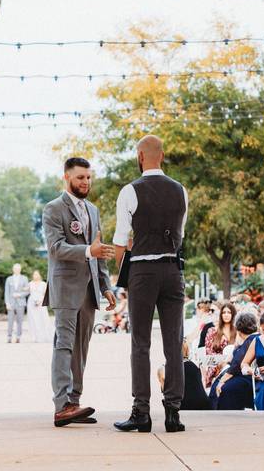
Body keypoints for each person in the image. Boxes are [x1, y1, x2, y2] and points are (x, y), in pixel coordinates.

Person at [111, 136, 188, 434]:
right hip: (172, 270)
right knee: (173, 342)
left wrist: (125, 276)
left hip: (142, 270)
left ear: (140, 156)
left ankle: (141, 412)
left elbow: (120, 240)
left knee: (140, 343)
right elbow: (181, 233)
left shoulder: (130, 191)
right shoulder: (181, 191)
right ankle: (173, 413)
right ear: (163, 156)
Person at [42, 156, 115, 428]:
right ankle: (62, 405)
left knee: (81, 349)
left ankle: (75, 401)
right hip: (65, 287)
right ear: (67, 178)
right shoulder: (53, 209)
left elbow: (100, 250)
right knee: (63, 345)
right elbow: (55, 248)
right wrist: (87, 251)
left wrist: (106, 286)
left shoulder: (93, 210)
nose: (86, 182)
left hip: (90, 289)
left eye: (88, 177)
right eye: (80, 177)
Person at [210, 312, 259, 410]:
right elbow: (233, 359)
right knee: (218, 384)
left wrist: (222, 381)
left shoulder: (251, 340)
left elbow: (236, 364)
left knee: (223, 388)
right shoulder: (249, 339)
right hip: (243, 374)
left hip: (247, 376)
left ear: (238, 329)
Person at [203, 301, 236, 388]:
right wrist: (221, 363)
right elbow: (209, 353)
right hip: (216, 367)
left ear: (233, 314)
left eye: (229, 312)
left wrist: (228, 362)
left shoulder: (238, 332)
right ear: (220, 315)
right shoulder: (212, 331)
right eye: (224, 312)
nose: (226, 315)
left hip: (233, 367)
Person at [3, 263, 30, 344]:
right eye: (15, 269)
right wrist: (7, 303)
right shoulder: (9, 279)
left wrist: (20, 295)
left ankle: (18, 337)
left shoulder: (24, 278)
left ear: (20, 270)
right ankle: (9, 336)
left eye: (18, 269)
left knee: (20, 320)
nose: (16, 270)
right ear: (13, 269)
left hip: (20, 303)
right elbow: (6, 292)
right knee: (10, 320)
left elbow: (27, 291)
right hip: (11, 303)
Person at [27, 270, 53, 343]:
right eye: (34, 274)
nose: (35, 276)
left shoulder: (43, 284)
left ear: (39, 275)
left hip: (41, 302)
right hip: (31, 303)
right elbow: (26, 292)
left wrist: (40, 301)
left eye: (37, 274)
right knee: (34, 320)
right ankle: (35, 337)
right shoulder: (30, 284)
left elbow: (45, 294)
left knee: (43, 318)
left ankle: (44, 336)